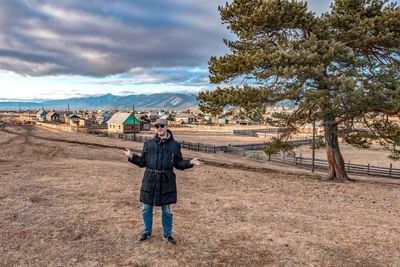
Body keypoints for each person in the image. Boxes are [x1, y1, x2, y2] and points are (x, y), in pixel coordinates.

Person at [122, 118, 203, 245]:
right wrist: (132, 156)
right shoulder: (148, 144)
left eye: (162, 126)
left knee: (166, 210)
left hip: (166, 180)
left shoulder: (174, 145)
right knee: (146, 208)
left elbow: (178, 163)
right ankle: (147, 232)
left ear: (167, 126)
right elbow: (143, 162)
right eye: (157, 126)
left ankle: (167, 235)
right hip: (150, 179)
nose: (159, 128)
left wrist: (190, 162)